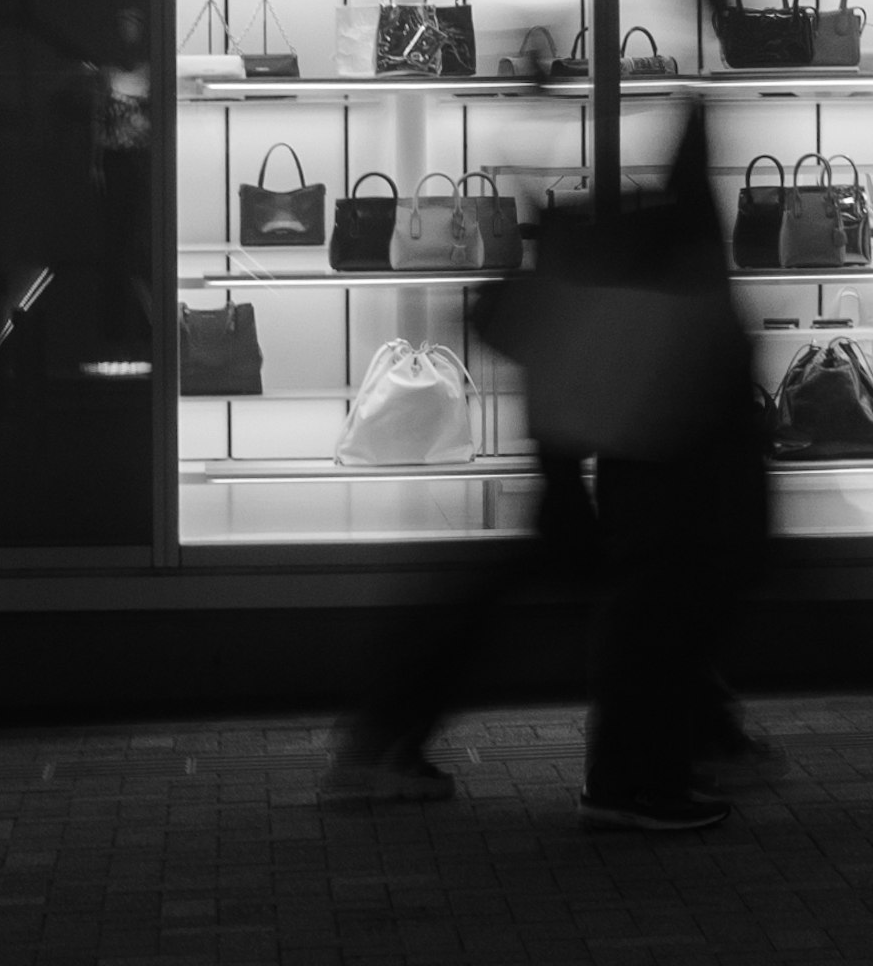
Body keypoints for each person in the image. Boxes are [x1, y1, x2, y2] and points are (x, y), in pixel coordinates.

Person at [325, 110, 768, 830]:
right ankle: (659, 759)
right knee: (655, 574)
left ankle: (388, 733)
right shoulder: (667, 253)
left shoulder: (600, 192)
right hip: (647, 371)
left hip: (612, 360)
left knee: (615, 569)